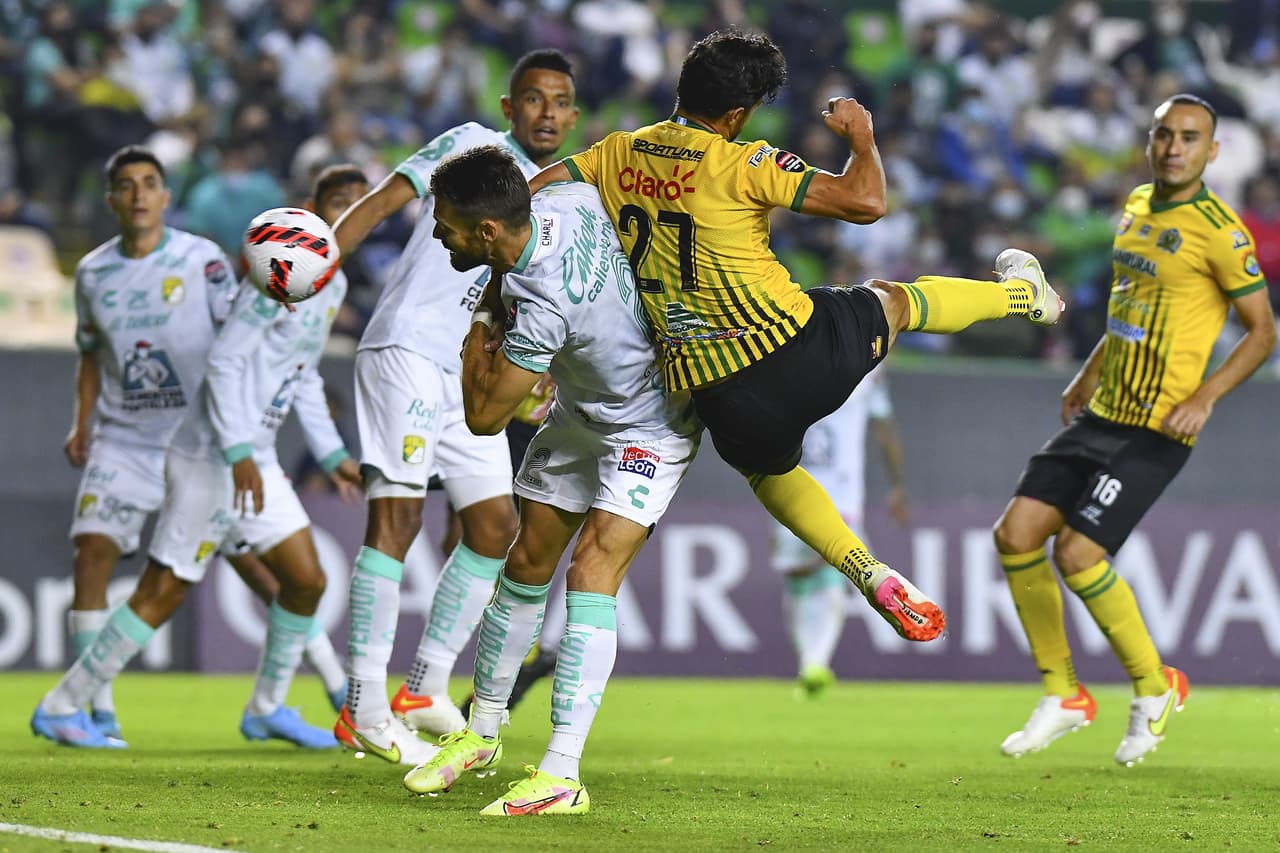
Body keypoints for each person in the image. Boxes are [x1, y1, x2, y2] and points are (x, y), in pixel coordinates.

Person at [529, 28, 1063, 643]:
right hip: (795, 347)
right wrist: (862, 139)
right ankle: (1025, 296)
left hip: (713, 389)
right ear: (736, 114)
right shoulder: (744, 160)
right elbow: (866, 202)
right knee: (893, 302)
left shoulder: (613, 152)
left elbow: (534, 197)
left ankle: (865, 569)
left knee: (769, 472)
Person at [400, 147, 700, 815]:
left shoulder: (542, 305)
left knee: (590, 572)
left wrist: (475, 327)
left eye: (445, 222)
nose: (436, 233)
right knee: (527, 560)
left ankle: (562, 771)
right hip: (580, 412)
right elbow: (575, 168)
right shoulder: (564, 201)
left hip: (649, 423)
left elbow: (481, 416)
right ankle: (480, 734)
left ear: (485, 232)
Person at [32, 164, 363, 749]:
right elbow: (223, 364)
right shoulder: (273, 279)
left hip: (252, 453)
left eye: (358, 208)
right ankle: (63, 705)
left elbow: (303, 372)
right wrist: (236, 453)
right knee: (167, 587)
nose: (348, 217)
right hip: (213, 452)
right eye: (337, 204)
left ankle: (266, 707)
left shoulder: (326, 285)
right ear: (312, 211)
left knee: (305, 581)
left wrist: (333, 452)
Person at [993, 94, 1275, 767]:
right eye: (1163, 134)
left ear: (1212, 152)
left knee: (1079, 555)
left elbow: (1263, 332)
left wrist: (1206, 396)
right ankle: (1063, 694)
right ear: (1150, 141)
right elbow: (1131, 303)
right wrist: (1088, 370)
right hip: (1103, 410)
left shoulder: (1222, 231)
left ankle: (1154, 687)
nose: (1174, 147)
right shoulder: (1138, 205)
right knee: (1015, 535)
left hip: (1158, 426)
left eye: (1189, 138)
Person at [328, 49, 580, 765]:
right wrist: (321, 264)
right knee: (398, 516)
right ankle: (363, 706)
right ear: (510, 107)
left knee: (495, 526)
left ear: (574, 113)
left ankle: (423, 684)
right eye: (534, 99)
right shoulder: (472, 143)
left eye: (561, 101)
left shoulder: (563, 193)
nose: (548, 114)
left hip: (470, 372)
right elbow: (382, 200)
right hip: (407, 349)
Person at [56, 144, 238, 743]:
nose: (138, 194)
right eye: (126, 185)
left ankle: (303, 693)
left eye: (149, 183)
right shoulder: (92, 273)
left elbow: (238, 337)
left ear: (165, 196)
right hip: (124, 438)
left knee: (270, 573)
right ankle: (92, 709)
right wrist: (81, 424)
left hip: (196, 438)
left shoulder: (203, 260)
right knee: (91, 553)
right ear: (111, 199)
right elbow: (89, 354)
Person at [770, 366, 907, 697]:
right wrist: (898, 485)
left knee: (835, 572)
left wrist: (897, 485)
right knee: (799, 578)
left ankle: (815, 662)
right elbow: (884, 428)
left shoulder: (863, 369)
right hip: (794, 482)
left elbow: (884, 427)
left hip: (829, 491)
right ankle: (810, 662)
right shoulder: (864, 369)